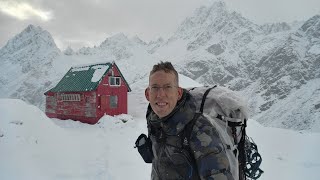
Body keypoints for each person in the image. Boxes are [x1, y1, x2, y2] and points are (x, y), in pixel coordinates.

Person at [144, 61, 234, 180]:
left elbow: (218, 175)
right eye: (155, 87)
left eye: (168, 87)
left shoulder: (199, 128)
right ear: (147, 94)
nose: (160, 95)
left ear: (179, 93)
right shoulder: (154, 122)